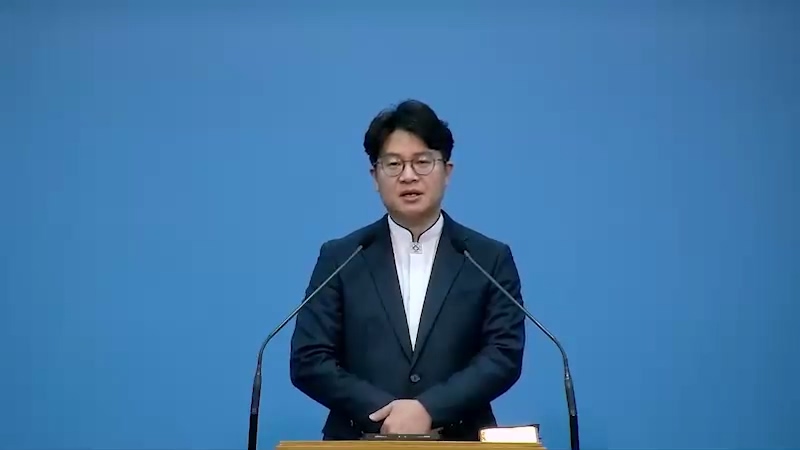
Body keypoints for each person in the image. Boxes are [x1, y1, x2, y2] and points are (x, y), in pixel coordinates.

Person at [289, 99, 526, 440]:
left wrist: (429, 408)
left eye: (422, 162)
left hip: (461, 440)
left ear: (447, 171)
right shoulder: (341, 257)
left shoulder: (487, 258)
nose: (409, 175)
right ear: (375, 176)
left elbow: (502, 355)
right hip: (358, 440)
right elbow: (309, 359)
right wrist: (386, 412)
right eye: (394, 164)